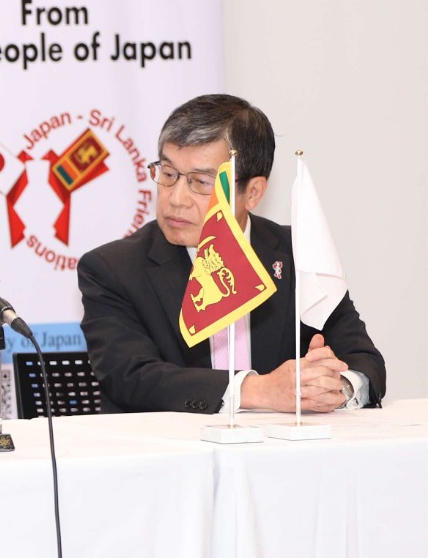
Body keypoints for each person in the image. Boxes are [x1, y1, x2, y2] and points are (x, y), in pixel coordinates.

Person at [79, 93, 385, 414]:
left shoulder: (297, 253)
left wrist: (334, 386)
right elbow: (131, 378)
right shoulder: (113, 269)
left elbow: (364, 359)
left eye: (200, 182)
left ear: (252, 192)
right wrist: (257, 390)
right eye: (168, 174)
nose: (176, 198)